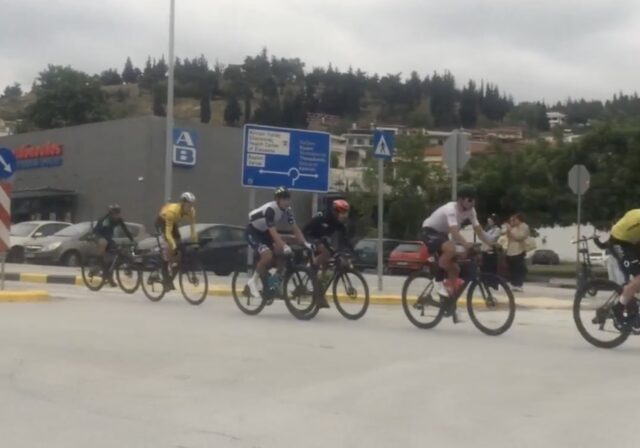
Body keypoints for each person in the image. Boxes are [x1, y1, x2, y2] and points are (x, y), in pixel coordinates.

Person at [420, 185, 495, 297]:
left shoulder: (471, 211)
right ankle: (437, 282)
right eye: (470, 199)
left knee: (455, 269)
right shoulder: (451, 209)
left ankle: (449, 300)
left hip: (442, 234)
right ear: (460, 200)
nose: (473, 202)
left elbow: (479, 231)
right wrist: (467, 244)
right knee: (451, 249)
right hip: (430, 231)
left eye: (474, 199)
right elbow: (454, 231)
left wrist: (492, 244)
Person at [245, 186, 312, 298]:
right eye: (283, 199)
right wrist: (284, 245)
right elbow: (273, 232)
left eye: (287, 199)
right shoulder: (270, 210)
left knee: (282, 258)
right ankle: (252, 281)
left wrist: (305, 243)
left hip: (265, 232)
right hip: (254, 232)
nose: (286, 202)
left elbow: (295, 228)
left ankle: (272, 285)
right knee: (267, 255)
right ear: (277, 200)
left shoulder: (288, 210)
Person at [302, 199, 353, 308]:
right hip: (308, 236)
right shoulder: (323, 217)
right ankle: (311, 268)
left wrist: (347, 254)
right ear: (335, 211)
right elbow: (306, 230)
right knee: (326, 253)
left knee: (330, 259)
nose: (345, 216)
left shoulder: (338, 223)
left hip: (321, 239)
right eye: (343, 212)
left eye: (346, 213)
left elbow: (345, 241)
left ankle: (320, 287)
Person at [155, 192, 197, 289]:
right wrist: (173, 245)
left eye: (192, 204)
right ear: (183, 203)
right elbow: (168, 233)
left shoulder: (191, 211)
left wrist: (195, 243)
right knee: (171, 245)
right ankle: (165, 269)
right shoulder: (172, 211)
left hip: (173, 223)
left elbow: (193, 228)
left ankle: (170, 277)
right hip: (162, 221)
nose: (191, 207)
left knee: (179, 249)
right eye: (189, 205)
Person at [607, 209, 640, 329]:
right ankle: (618, 308)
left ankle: (632, 305)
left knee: (636, 281)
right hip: (618, 242)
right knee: (638, 278)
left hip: (633, 241)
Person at [92, 204, 135, 286]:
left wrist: (132, 240)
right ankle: (98, 262)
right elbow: (106, 233)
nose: (117, 215)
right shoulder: (106, 220)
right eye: (115, 214)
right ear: (111, 214)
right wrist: (111, 243)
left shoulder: (119, 220)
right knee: (104, 243)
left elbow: (125, 229)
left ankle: (109, 277)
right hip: (98, 234)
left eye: (118, 213)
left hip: (107, 236)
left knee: (112, 259)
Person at [505, 213, 530, 292]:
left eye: (514, 220)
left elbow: (519, 237)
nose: (513, 221)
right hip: (511, 250)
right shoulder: (514, 227)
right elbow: (509, 237)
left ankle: (519, 284)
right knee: (512, 268)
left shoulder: (524, 226)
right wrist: (508, 231)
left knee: (518, 268)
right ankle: (514, 284)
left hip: (519, 250)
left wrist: (510, 231)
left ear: (519, 220)